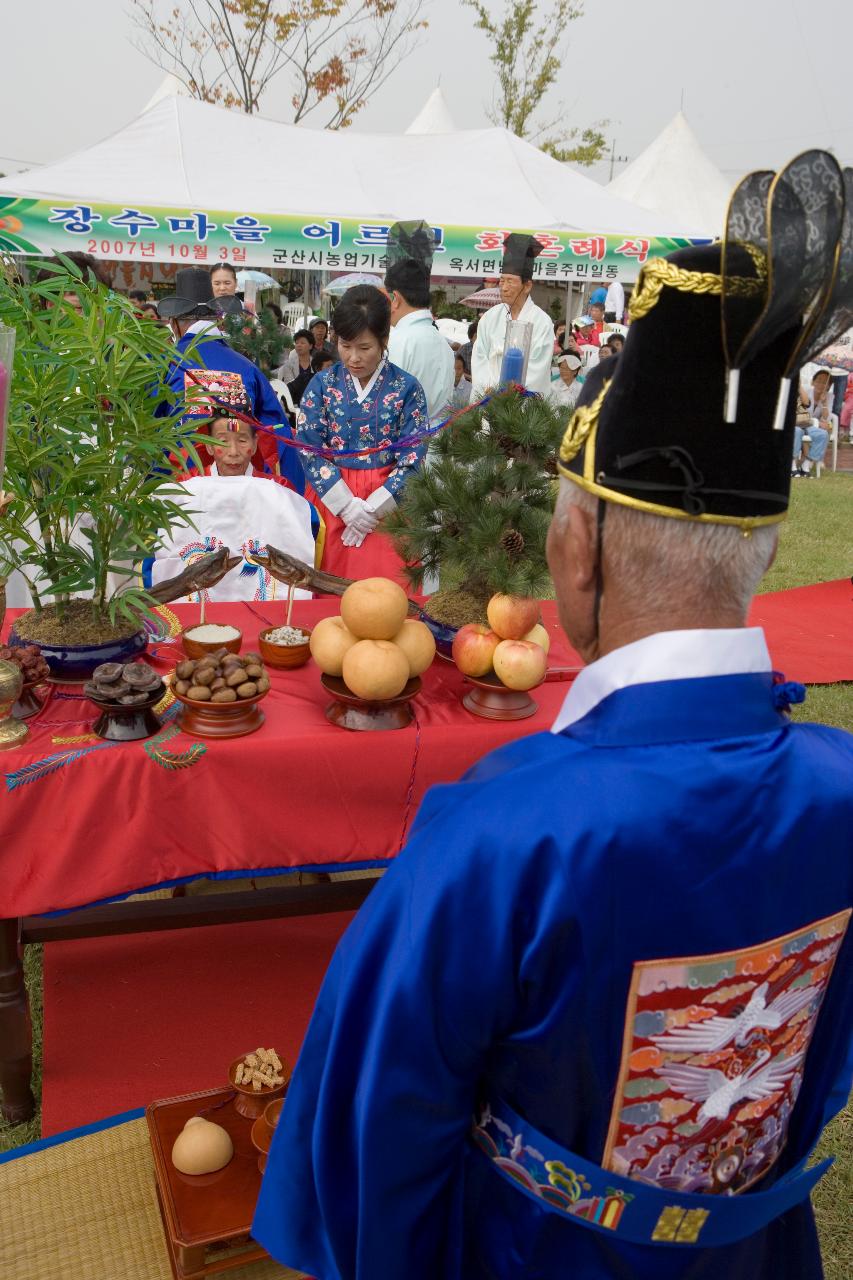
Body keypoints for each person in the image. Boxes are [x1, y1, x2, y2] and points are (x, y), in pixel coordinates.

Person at [253, 231, 853, 1279]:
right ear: (759, 548)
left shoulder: (501, 835)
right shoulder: (838, 787)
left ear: (575, 544)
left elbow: (371, 1143)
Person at [295, 284, 428, 581]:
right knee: (327, 588)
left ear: (384, 340)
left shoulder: (406, 388)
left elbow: (413, 457)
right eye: (345, 345)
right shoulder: (321, 384)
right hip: (331, 497)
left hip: (389, 505)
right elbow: (309, 446)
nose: (354, 357)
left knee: (388, 594)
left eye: (364, 347)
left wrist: (373, 509)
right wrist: (346, 505)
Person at [157, 267, 305, 493]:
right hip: (242, 486)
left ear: (175, 323)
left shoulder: (166, 366)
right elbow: (278, 433)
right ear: (216, 319)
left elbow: (147, 432)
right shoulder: (247, 368)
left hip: (181, 492)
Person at [148, 416, 318, 602]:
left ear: (254, 445)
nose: (233, 452)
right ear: (209, 446)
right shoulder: (187, 486)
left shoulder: (276, 488)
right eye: (222, 441)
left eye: (242, 440)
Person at [386, 220, 454, 424]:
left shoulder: (397, 341)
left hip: (405, 446)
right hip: (437, 443)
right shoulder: (443, 342)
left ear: (395, 299)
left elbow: (388, 408)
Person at [470, 234, 554, 398]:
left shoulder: (542, 322)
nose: (504, 288)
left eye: (510, 281)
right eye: (502, 281)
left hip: (523, 405)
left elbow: (538, 368)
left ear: (527, 285)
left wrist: (510, 392)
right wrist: (492, 390)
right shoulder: (490, 318)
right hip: (489, 399)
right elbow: (479, 358)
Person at [793, 369, 832, 477]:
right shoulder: (805, 390)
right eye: (819, 380)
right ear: (813, 382)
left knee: (823, 433)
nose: (821, 384)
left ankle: (806, 464)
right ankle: (793, 465)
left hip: (811, 424)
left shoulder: (830, 396)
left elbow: (827, 417)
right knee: (798, 431)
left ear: (829, 385)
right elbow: (806, 404)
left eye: (825, 382)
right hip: (801, 422)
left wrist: (824, 403)